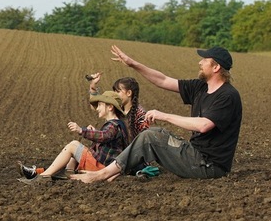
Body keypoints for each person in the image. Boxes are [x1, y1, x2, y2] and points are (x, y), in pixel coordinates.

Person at [72, 45, 242, 183]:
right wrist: (132, 64)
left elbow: (204, 125)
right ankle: (112, 171)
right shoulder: (200, 87)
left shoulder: (227, 96)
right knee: (154, 133)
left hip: (209, 166)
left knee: (150, 137)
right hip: (195, 154)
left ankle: (102, 174)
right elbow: (163, 80)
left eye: (204, 60)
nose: (200, 62)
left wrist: (164, 115)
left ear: (216, 67)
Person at [18, 91, 128, 182]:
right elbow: (105, 138)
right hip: (104, 165)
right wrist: (95, 133)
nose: (97, 108)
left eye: (100, 105)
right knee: (71, 157)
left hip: (102, 167)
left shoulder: (114, 124)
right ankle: (44, 173)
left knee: (73, 146)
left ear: (110, 107)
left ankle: (42, 177)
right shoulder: (115, 125)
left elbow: (104, 136)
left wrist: (81, 130)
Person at [87, 73, 149, 142]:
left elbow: (144, 141)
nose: (114, 94)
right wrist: (93, 86)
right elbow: (96, 107)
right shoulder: (116, 107)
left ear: (129, 93)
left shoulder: (140, 115)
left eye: (117, 91)